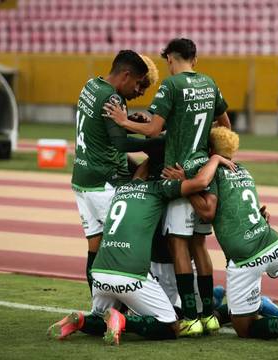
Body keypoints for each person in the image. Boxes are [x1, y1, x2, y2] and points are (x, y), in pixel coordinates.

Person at [162, 127, 278, 342]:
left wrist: (184, 184)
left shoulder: (212, 172)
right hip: (270, 240)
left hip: (246, 257)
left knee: (245, 328)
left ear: (211, 150)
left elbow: (207, 212)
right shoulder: (243, 170)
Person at [103, 38, 230, 335]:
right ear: (194, 59)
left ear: (170, 60)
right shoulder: (211, 84)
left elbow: (152, 130)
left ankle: (190, 317)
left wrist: (123, 120)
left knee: (179, 244)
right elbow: (225, 124)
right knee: (200, 245)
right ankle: (209, 314)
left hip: (177, 173)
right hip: (204, 169)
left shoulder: (171, 86)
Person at [48, 153, 237, 345]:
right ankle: (123, 321)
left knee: (99, 319)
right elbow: (201, 183)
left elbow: (141, 171)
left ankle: (81, 320)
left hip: (99, 273)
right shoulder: (159, 189)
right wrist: (215, 159)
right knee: (171, 325)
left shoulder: (125, 188)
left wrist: (154, 156)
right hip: (131, 275)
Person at [72, 51, 163, 295]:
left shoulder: (91, 85)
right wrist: (154, 142)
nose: (139, 91)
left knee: (95, 246)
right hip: (105, 182)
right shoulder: (113, 98)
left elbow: (101, 129)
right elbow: (121, 145)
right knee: (126, 243)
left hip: (82, 180)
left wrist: (127, 121)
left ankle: (98, 308)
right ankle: (146, 302)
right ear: (126, 75)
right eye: (138, 84)